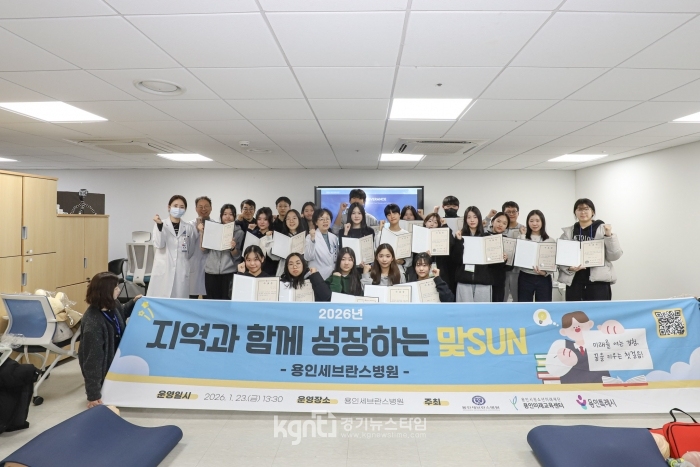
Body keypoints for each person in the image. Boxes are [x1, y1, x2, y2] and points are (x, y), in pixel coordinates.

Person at [79, 272, 142, 409]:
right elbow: (92, 361)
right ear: (106, 291)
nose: (119, 290)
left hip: (117, 362)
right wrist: (93, 395)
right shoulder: (93, 323)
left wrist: (133, 302)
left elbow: (121, 313)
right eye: (115, 288)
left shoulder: (113, 304)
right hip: (106, 371)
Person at [557, 198, 622, 301]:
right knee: (575, 310)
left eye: (586, 209)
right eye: (579, 209)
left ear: (593, 212)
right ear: (575, 212)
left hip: (598, 282)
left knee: (599, 311)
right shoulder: (568, 233)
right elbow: (561, 258)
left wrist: (609, 235)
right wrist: (569, 268)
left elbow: (614, 256)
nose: (583, 212)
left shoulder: (603, 229)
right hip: (575, 282)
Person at [148, 195, 197, 298]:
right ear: (169, 207)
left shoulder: (189, 228)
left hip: (181, 269)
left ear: (185, 209)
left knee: (179, 300)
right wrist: (159, 225)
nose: (178, 209)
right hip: (164, 268)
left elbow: (191, 250)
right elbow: (159, 244)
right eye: (175, 206)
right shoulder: (161, 224)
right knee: (161, 298)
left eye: (182, 207)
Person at [198, 203, 244, 300]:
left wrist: (233, 248)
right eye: (225, 214)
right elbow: (203, 249)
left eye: (231, 214)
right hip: (211, 271)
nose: (228, 217)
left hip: (229, 272)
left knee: (227, 301)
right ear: (221, 216)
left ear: (234, 216)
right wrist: (202, 232)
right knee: (211, 301)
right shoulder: (213, 229)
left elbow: (238, 256)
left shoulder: (239, 232)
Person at [485, 201, 524, 302]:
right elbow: (480, 226)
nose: (511, 214)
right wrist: (488, 217)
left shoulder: (523, 229)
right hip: (486, 277)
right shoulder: (485, 235)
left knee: (514, 299)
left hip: (513, 272)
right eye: (508, 212)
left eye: (514, 211)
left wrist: (505, 259)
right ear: (493, 222)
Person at [454, 206, 493, 302]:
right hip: (464, 280)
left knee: (482, 310)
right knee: (464, 310)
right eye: (469, 217)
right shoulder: (460, 236)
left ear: (479, 218)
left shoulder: (487, 237)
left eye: (475, 217)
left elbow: (492, 261)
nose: (472, 220)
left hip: (483, 281)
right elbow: (456, 259)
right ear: (465, 219)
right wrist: (458, 241)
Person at [517, 210, 556, 302]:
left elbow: (553, 262)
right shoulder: (522, 237)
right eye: (531, 221)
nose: (534, 224)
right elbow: (520, 256)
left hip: (543, 278)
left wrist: (544, 273)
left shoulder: (550, 240)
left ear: (542, 222)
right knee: (524, 305)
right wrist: (523, 236)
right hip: (525, 276)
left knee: (544, 306)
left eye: (537, 221)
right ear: (527, 222)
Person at [419, 213, 456, 292]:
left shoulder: (441, 238)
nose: (432, 224)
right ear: (425, 222)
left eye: (435, 222)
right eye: (430, 221)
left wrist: (445, 225)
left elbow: (452, 244)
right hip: (423, 275)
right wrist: (425, 257)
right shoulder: (419, 236)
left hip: (441, 274)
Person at [267, 209, 307, 276]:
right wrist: (269, 240)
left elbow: (308, 257)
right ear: (285, 221)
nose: (291, 221)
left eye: (294, 218)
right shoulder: (280, 237)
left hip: (301, 272)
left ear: (299, 220)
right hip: (284, 272)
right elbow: (275, 257)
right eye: (288, 219)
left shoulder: (305, 237)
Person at [376, 204, 412, 274]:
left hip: (400, 271)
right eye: (389, 214)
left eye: (394, 213)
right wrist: (380, 231)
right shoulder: (382, 233)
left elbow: (410, 259)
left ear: (400, 214)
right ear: (386, 217)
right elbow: (376, 250)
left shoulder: (406, 234)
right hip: (383, 271)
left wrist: (402, 262)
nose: (392, 216)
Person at [188, 196, 212, 299]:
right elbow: (186, 245)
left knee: (209, 297)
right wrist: (197, 230)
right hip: (194, 265)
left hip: (210, 267)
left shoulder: (215, 225)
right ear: (196, 209)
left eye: (206, 206)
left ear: (211, 208)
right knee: (192, 297)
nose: (203, 209)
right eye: (200, 206)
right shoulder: (189, 225)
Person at [305, 208, 339, 280]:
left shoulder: (334, 237)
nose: (325, 221)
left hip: (332, 276)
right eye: (321, 219)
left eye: (327, 219)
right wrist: (312, 240)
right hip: (317, 276)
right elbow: (308, 257)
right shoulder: (310, 237)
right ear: (316, 222)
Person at [489, 212, 514, 303]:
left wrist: (505, 260)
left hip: (499, 280)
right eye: (498, 221)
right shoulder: (484, 237)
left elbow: (510, 267)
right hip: (484, 279)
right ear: (492, 222)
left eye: (504, 223)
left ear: (506, 227)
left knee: (497, 306)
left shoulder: (508, 242)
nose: (500, 225)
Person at [250, 207, 278, 276]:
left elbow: (276, 257)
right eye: (259, 219)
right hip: (254, 271)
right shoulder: (252, 234)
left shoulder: (275, 235)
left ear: (270, 220)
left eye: (265, 219)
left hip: (271, 272)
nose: (262, 222)